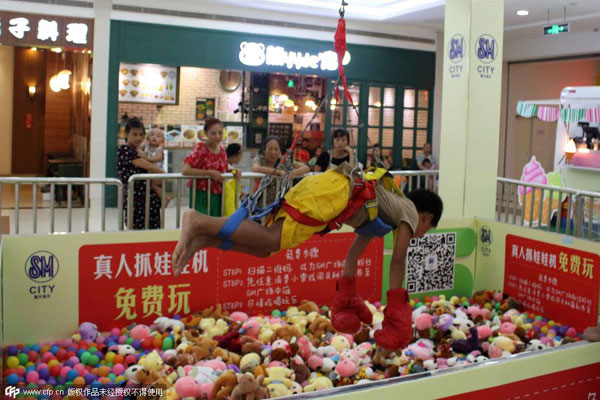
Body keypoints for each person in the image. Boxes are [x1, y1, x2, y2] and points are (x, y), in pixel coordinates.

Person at [172, 162, 443, 350]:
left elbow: (352, 257)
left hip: (329, 195)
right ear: (427, 217)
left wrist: (348, 292)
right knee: (269, 239)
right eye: (426, 230)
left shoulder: (384, 211)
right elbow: (398, 260)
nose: (418, 235)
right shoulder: (407, 209)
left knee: (266, 248)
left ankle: (205, 238)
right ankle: (199, 220)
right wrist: (396, 311)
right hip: (331, 194)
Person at [117, 118, 165, 229]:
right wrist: (164, 174)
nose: (138, 138)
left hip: (148, 199)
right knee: (137, 231)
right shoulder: (124, 150)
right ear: (126, 134)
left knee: (152, 230)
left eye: (141, 134)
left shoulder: (138, 151)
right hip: (136, 200)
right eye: (134, 134)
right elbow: (148, 166)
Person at [183, 117, 228, 217]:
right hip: (200, 193)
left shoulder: (222, 151)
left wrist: (234, 170)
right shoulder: (200, 148)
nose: (217, 136)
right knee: (201, 224)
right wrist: (210, 173)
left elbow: (223, 168)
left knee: (215, 224)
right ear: (206, 133)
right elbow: (186, 170)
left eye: (220, 133)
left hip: (217, 194)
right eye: (213, 133)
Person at [252, 136, 309, 205]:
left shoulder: (284, 160)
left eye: (276, 149)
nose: (273, 152)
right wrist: (278, 172)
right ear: (264, 150)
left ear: (280, 151)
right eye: (270, 149)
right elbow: (256, 168)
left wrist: (292, 174)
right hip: (259, 203)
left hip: (279, 204)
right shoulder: (260, 158)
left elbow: (305, 167)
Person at [140, 128, 171, 206]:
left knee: (154, 185)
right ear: (147, 138)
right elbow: (138, 150)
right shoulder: (145, 146)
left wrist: (145, 158)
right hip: (149, 172)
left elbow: (158, 158)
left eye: (158, 136)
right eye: (152, 135)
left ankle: (165, 198)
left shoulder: (159, 149)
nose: (154, 137)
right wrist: (141, 153)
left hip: (158, 172)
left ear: (162, 140)